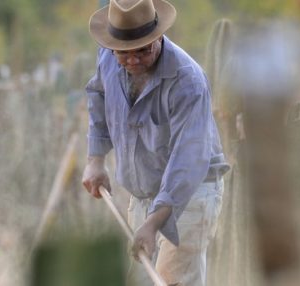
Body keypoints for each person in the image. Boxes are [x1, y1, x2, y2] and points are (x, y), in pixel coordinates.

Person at [82, 0, 230, 285]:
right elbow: (98, 95)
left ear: (158, 37)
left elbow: (189, 160)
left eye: (143, 50)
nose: (134, 60)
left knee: (172, 280)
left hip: (190, 193)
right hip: (143, 192)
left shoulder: (187, 81)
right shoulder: (107, 58)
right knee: (141, 279)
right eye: (125, 54)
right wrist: (95, 161)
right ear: (112, 47)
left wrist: (153, 223)